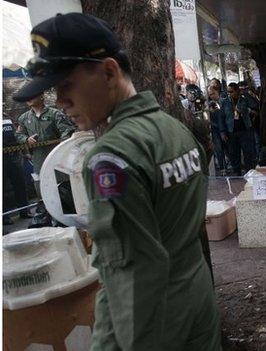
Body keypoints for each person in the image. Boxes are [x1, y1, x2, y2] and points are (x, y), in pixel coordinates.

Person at [13, 13, 221, 350]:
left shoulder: (111, 157)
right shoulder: (173, 129)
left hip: (155, 323)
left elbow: (132, 275)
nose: (61, 102)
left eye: (66, 85)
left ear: (109, 71)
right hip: (196, 302)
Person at [15, 94, 75, 196]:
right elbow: (18, 134)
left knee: (63, 184)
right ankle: (45, 206)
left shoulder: (55, 114)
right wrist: (26, 139)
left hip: (57, 155)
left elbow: (67, 130)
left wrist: (61, 145)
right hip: (38, 158)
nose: (28, 99)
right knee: (41, 184)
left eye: (32, 96)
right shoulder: (24, 118)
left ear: (41, 96)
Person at [220, 82, 257, 176]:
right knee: (234, 153)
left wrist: (246, 96)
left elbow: (255, 106)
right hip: (231, 130)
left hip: (245, 129)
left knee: (248, 152)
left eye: (231, 92)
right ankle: (237, 172)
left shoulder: (245, 99)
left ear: (237, 91)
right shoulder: (225, 102)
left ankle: (249, 171)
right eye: (228, 92)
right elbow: (222, 117)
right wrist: (223, 132)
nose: (230, 94)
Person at [3, 118, 32, 225]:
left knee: (20, 185)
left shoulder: (8, 119)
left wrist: (26, 152)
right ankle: (4, 218)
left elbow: (18, 136)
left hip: (15, 157)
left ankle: (25, 211)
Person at [207, 85, 228, 174]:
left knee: (227, 149)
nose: (212, 96)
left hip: (225, 129)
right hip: (215, 130)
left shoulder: (224, 102)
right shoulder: (210, 104)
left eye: (213, 94)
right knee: (219, 149)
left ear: (217, 92)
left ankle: (228, 165)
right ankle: (222, 168)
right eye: (210, 94)